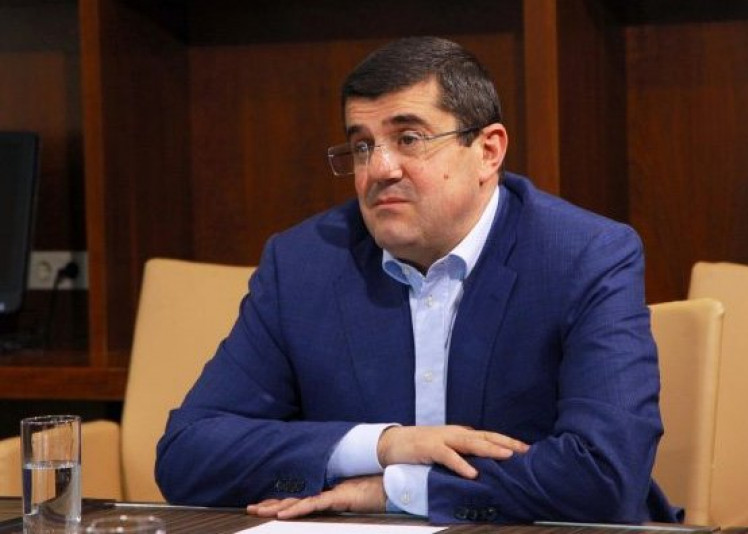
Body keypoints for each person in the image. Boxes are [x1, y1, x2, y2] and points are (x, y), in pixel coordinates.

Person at [155, 36, 680, 524]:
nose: (379, 169)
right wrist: (384, 446)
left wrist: (397, 490)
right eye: (362, 146)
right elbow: (188, 455)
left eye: (408, 139)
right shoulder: (303, 264)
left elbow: (605, 475)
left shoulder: (584, 255)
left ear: (488, 151)